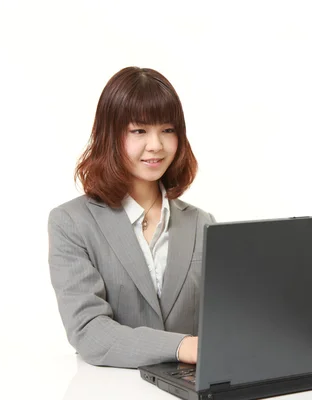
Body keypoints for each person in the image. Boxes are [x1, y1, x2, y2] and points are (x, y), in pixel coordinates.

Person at [47, 66, 215, 369]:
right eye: (139, 131)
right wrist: (181, 346)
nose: (156, 145)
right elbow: (89, 331)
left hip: (191, 390)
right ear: (109, 136)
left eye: (167, 130)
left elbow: (225, 321)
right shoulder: (71, 223)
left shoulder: (202, 223)